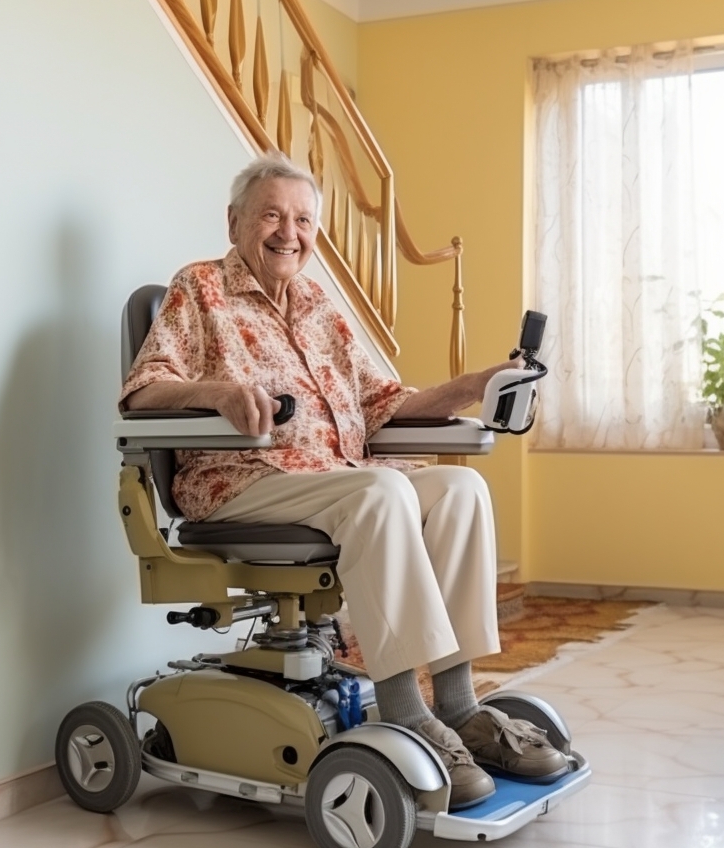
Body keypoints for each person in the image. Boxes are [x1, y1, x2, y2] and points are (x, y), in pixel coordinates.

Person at [120, 152, 565, 809]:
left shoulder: (319, 304)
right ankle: (406, 714)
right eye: (271, 214)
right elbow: (143, 391)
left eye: (302, 219)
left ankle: (459, 703)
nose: (287, 231)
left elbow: (384, 402)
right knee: (380, 492)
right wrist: (216, 393)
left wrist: (477, 385)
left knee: (459, 490)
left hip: (335, 481)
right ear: (235, 220)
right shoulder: (200, 287)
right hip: (240, 481)